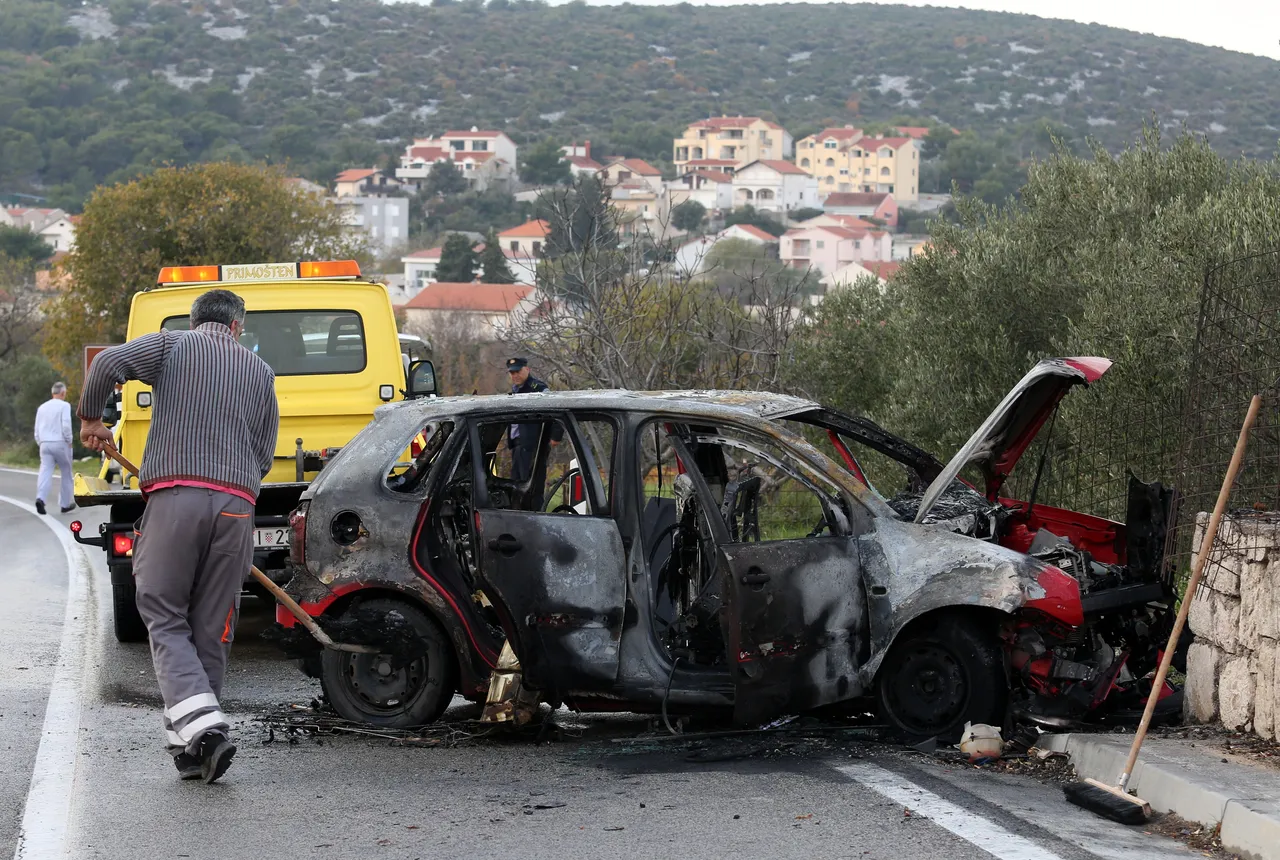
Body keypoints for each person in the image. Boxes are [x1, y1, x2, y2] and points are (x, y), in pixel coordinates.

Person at [78, 289, 279, 785]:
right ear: (238, 328)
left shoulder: (172, 346)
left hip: (176, 499)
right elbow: (265, 448)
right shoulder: (261, 372)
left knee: (163, 612)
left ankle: (205, 731)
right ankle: (193, 747)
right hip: (238, 507)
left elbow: (108, 362)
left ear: (196, 323)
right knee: (211, 626)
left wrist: (91, 418)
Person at [505, 357, 558, 485]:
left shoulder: (537, 388)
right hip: (517, 446)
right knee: (516, 485)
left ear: (527, 369)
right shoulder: (515, 391)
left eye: (518, 371)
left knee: (531, 486)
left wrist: (555, 436)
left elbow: (555, 408)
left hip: (533, 446)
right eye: (512, 373)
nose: (515, 375)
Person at [34, 381, 75, 515]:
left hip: (45, 443)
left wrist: (40, 441)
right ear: (63, 393)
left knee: (45, 470)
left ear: (53, 393)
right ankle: (64, 504)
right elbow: (66, 425)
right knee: (66, 472)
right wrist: (69, 440)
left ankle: (41, 498)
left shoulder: (42, 407)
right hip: (60, 442)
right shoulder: (64, 406)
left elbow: (37, 429)